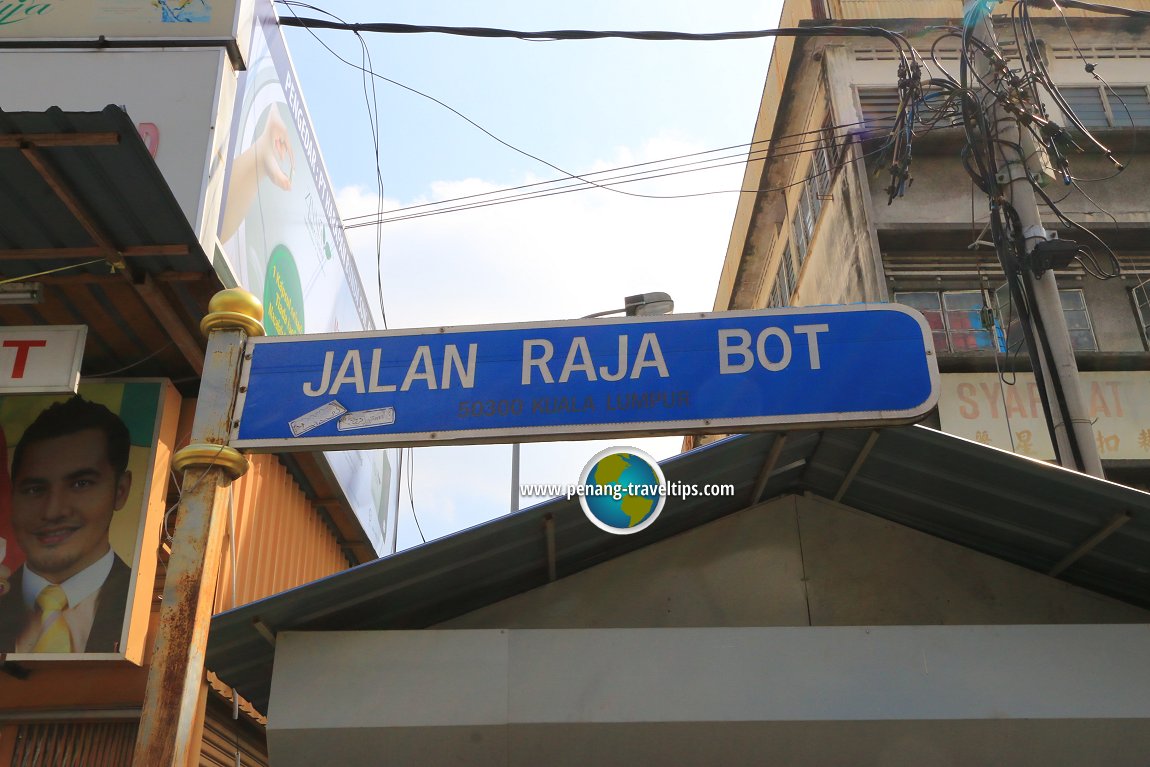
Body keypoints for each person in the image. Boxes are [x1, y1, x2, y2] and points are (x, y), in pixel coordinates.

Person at [0, 397, 133, 654]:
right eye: (34, 489)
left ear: (121, 490)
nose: (53, 511)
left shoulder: (146, 607)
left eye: (80, 484)